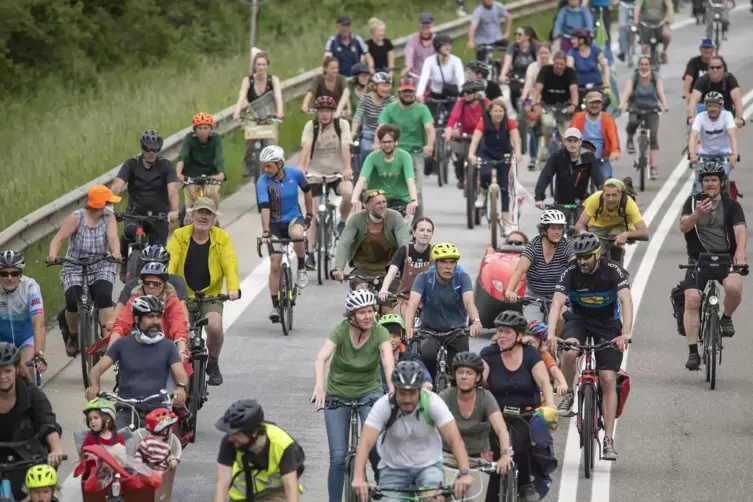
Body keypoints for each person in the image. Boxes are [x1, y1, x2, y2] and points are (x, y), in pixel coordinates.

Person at [547, 232, 632, 461]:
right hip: (579, 320)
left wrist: (625, 333)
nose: (583, 261)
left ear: (597, 254)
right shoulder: (570, 271)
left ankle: (608, 440)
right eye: (580, 257)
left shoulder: (612, 270)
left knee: (607, 378)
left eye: (587, 257)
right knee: (570, 351)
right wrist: (550, 333)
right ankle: (568, 395)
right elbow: (556, 303)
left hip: (607, 324)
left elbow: (626, 300)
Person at [312, 290, 394, 502]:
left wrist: (393, 390)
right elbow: (321, 359)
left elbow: (388, 363)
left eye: (370, 311)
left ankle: (383, 495)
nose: (368, 316)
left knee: (376, 449)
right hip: (338, 394)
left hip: (369, 393)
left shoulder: (380, 333)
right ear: (351, 316)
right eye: (361, 313)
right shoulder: (340, 331)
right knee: (338, 458)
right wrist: (320, 387)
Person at [351, 361, 473, 502]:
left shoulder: (433, 402)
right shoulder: (384, 406)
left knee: (434, 498)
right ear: (395, 390)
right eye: (402, 393)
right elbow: (366, 441)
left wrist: (464, 473)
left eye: (412, 393)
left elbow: (454, 439)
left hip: (428, 464)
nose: (407, 399)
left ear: (419, 390)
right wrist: (359, 477)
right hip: (393, 467)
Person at [480, 310, 556, 502]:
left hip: (525, 414)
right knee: (496, 460)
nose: (501, 335)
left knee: (521, 445)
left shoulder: (531, 354)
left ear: (519, 336)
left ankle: (524, 483)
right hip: (496, 413)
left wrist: (551, 407)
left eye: (507, 332)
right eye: (499, 331)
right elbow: (481, 377)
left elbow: (545, 383)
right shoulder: (489, 354)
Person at [679, 160, 746, 369]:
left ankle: (726, 318)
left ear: (721, 182)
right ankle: (692, 352)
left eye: (714, 180)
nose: (710, 184)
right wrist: (698, 213)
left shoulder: (732, 205)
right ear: (701, 183)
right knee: (691, 300)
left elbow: (740, 230)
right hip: (698, 259)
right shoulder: (691, 202)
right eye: (706, 180)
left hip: (725, 258)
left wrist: (740, 253)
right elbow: (683, 226)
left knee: (734, 288)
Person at [85, 295, 189, 429]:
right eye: (150, 317)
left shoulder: (168, 347)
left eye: (158, 317)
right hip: (125, 409)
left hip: (157, 411)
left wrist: (180, 388)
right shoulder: (122, 344)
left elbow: (181, 374)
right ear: (137, 319)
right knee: (110, 438)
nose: (156, 321)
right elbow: (96, 370)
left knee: (164, 444)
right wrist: (94, 386)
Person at [166, 198, 239, 383]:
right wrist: (166, 284)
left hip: (211, 296)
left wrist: (233, 288)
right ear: (192, 215)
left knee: (214, 326)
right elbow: (170, 261)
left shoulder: (222, 237)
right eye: (200, 212)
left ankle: (213, 362)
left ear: (214, 218)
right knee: (181, 333)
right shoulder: (179, 235)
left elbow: (230, 263)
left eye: (208, 214)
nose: (204, 217)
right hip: (183, 296)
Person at [47, 184, 122, 357]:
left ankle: (107, 338)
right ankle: (73, 334)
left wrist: (116, 252)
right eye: (108, 202)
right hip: (75, 265)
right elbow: (59, 239)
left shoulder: (109, 218)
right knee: (72, 300)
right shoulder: (76, 217)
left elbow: (112, 237)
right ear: (98, 205)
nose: (110, 206)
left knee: (104, 296)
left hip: (101, 263)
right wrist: (53, 255)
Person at [403, 243, 482, 381]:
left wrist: (475, 321)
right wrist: (408, 327)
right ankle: (429, 387)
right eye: (444, 262)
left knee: (461, 366)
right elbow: (412, 304)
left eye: (452, 262)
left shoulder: (462, 277)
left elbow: (469, 302)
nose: (448, 266)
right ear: (435, 263)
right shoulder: (424, 278)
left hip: (457, 332)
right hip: (429, 331)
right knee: (427, 357)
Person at [440, 352, 512, 502]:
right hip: (447, 457)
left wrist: (505, 454)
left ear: (478, 377)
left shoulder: (485, 397)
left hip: (477, 459)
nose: (464, 376)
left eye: (469, 373)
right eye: (460, 372)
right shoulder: (445, 396)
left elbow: (501, 429)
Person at [110, 130, 180, 278]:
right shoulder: (131, 164)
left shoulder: (166, 166)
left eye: (155, 149)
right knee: (129, 233)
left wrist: (174, 210)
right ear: (142, 147)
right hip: (135, 213)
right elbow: (117, 185)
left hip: (159, 215)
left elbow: (173, 189)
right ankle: (123, 265)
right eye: (148, 149)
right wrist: (109, 203)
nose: (151, 153)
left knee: (157, 253)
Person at [0, 343, 64, 501]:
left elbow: (47, 422)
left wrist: (56, 449)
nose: (2, 377)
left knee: (40, 493)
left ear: (16, 369)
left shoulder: (31, 393)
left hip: (28, 457)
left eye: (7, 370)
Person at [255, 146, 313, 320]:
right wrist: (266, 231)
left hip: (293, 218)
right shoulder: (262, 182)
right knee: (274, 263)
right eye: (263, 166)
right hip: (273, 224)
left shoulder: (295, 174)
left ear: (280, 164)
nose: (266, 170)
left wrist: (309, 213)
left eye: (269, 166)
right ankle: (275, 306)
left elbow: (308, 192)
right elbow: (264, 208)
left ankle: (302, 266)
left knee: (297, 235)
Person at [299, 95, 354, 269]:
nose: (324, 114)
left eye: (328, 111)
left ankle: (342, 222)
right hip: (315, 174)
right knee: (313, 214)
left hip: (337, 173)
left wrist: (347, 168)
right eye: (321, 111)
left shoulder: (341, 125)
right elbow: (306, 146)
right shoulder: (311, 126)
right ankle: (310, 254)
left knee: (349, 193)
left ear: (333, 112)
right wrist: (301, 167)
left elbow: (346, 146)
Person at [214, 399, 305, 502]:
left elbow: (290, 486)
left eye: (237, 434)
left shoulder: (281, 444)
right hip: (242, 496)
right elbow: (222, 484)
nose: (231, 438)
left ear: (254, 433)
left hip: (274, 493)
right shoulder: (230, 442)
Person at [376, 78, 435, 218]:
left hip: (415, 154)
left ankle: (418, 226)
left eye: (410, 91)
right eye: (405, 91)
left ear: (414, 92)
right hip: (394, 154)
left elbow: (429, 128)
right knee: (386, 190)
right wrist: (377, 144)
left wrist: (429, 146)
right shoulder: (390, 109)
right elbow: (381, 128)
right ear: (399, 92)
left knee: (417, 192)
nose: (408, 94)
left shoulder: (422, 109)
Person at [108, 263, 189, 365]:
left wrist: (181, 350)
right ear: (142, 283)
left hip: (165, 350)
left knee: (178, 377)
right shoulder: (134, 299)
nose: (151, 286)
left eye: (156, 284)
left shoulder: (172, 301)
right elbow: (121, 324)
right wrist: (111, 350)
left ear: (164, 285)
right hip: (138, 348)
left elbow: (179, 327)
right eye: (147, 282)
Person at [504, 210, 574, 322]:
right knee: (534, 327)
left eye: (560, 228)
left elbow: (575, 266)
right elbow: (519, 270)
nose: (557, 232)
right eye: (553, 228)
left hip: (559, 295)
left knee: (560, 320)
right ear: (544, 230)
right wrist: (510, 291)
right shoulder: (534, 246)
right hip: (534, 296)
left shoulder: (566, 246)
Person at [333, 190, 411, 288]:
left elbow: (404, 244)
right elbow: (344, 243)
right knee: (363, 294)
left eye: (384, 202)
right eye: (378, 203)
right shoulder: (356, 219)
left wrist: (408, 267)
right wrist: (339, 268)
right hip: (362, 270)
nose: (382, 206)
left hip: (389, 270)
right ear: (367, 206)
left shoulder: (395, 217)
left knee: (390, 301)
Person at [468, 98, 522, 232]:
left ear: (504, 112)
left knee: (505, 189)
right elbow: (475, 140)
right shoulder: (483, 122)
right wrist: (471, 154)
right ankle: (483, 192)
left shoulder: (509, 123)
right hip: (487, 153)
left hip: (504, 155)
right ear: (490, 112)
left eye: (501, 110)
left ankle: (506, 223)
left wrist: (518, 153)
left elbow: (515, 139)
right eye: (495, 110)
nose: (498, 113)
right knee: (485, 173)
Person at [109, 245, 189, 332]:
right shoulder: (133, 284)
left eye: (158, 265)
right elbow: (122, 304)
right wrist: (113, 320)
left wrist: (185, 321)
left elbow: (181, 305)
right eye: (147, 283)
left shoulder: (176, 281)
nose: (153, 269)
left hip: (168, 327)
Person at [232, 52, 285, 181]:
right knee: (250, 135)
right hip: (253, 113)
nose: (261, 67)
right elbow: (241, 97)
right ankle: (248, 164)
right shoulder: (248, 80)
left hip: (270, 113)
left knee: (270, 144)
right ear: (254, 66)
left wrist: (280, 111)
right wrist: (237, 112)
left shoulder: (273, 80)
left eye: (263, 64)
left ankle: (275, 170)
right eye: (258, 65)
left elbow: (278, 96)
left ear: (267, 66)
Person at [618, 57, 669, 180]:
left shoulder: (655, 78)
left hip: (652, 109)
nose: (644, 66)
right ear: (638, 65)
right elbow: (628, 91)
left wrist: (664, 105)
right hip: (636, 107)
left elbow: (660, 92)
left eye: (646, 64)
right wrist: (622, 104)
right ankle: (630, 139)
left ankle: (654, 167)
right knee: (633, 121)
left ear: (650, 66)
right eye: (641, 64)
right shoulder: (634, 77)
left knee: (653, 136)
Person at [575, 178, 649, 263]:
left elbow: (644, 231)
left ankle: (618, 268)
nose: (610, 199)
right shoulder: (595, 199)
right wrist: (583, 231)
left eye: (614, 195)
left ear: (620, 195)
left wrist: (626, 235)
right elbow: (580, 224)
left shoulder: (629, 203)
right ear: (603, 195)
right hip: (597, 226)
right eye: (607, 195)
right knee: (595, 252)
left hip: (619, 225)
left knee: (615, 245)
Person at [352, 125, 418, 217]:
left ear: (396, 142)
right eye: (384, 142)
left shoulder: (405, 156)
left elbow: (410, 180)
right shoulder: (372, 157)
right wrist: (355, 199)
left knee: (404, 224)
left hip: (399, 199)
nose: (386, 145)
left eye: (390, 142)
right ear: (380, 143)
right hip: (376, 199)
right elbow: (362, 179)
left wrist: (414, 200)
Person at [0, 251, 46, 383]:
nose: (9, 278)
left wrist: (38, 354)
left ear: (20, 274)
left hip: (27, 339)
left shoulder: (30, 287)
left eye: (14, 273)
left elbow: (39, 323)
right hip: (2, 340)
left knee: (26, 370)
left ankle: (31, 400)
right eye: (4, 273)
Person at [378, 217, 434, 320]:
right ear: (414, 232)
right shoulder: (404, 250)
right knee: (399, 319)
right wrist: (384, 289)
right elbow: (391, 273)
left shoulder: (434, 252)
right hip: (405, 298)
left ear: (432, 234)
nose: (425, 233)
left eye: (429, 231)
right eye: (421, 230)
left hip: (428, 300)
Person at [175, 112, 225, 224]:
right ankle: (188, 223)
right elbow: (182, 157)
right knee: (189, 205)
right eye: (200, 128)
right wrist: (179, 173)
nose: (203, 131)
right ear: (195, 129)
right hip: (192, 175)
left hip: (211, 175)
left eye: (206, 128)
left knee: (213, 194)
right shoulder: (189, 139)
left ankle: (213, 218)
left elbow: (219, 158)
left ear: (210, 128)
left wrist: (220, 173)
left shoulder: (216, 139)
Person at [534, 127, 602, 205]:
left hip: (582, 202)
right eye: (569, 141)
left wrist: (604, 196)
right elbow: (545, 176)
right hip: (561, 203)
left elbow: (598, 178)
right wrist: (539, 198)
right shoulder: (556, 157)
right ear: (564, 142)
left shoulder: (589, 157)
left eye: (575, 141)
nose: (572, 144)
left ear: (580, 142)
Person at [532, 51, 578, 165]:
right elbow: (538, 88)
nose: (558, 67)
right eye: (556, 64)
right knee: (547, 124)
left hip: (564, 107)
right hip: (547, 105)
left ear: (565, 64)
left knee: (567, 135)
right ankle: (545, 147)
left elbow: (574, 90)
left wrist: (573, 105)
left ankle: (571, 160)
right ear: (553, 63)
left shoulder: (570, 72)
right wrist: (535, 104)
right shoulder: (545, 70)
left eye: (561, 64)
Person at [689, 92, 738, 195]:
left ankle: (727, 206)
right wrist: (692, 153)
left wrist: (734, 155)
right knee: (699, 183)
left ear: (721, 106)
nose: (712, 109)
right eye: (710, 105)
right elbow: (693, 135)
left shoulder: (727, 116)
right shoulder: (701, 117)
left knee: (722, 182)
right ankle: (695, 207)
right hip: (704, 155)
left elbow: (731, 135)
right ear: (706, 107)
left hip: (724, 155)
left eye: (715, 106)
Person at [444, 79, 490, 188]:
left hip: (482, 136)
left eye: (469, 93)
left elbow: (494, 116)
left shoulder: (485, 102)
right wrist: (449, 129)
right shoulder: (461, 102)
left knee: (486, 159)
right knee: (461, 156)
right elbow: (454, 117)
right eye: (464, 92)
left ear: (476, 93)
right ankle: (461, 178)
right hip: (466, 135)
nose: (466, 95)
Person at [570, 91, 620, 179]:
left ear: (602, 104)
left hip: (602, 158)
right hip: (582, 157)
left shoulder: (608, 119)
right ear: (586, 104)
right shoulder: (578, 118)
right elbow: (572, 136)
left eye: (598, 102)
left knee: (607, 182)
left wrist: (615, 151)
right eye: (592, 103)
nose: (595, 105)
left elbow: (613, 137)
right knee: (575, 181)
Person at [352, 72, 396, 169]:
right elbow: (358, 116)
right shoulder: (365, 98)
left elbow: (398, 114)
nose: (386, 89)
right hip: (368, 132)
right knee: (365, 149)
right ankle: (363, 173)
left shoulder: (390, 99)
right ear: (375, 86)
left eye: (388, 86)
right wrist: (353, 132)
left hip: (386, 132)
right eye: (383, 86)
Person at [378, 314, 432, 393]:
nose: (391, 340)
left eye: (395, 336)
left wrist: (426, 381)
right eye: (386, 336)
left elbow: (419, 367)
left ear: (402, 336)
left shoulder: (409, 356)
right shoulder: (374, 358)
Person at [520, 44, 553, 170]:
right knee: (532, 126)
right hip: (534, 100)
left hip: (551, 101)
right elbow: (528, 82)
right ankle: (533, 157)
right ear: (537, 55)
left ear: (550, 54)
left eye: (546, 53)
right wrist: (524, 95)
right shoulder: (532, 67)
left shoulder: (555, 67)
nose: (543, 56)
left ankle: (551, 153)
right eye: (541, 53)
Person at [688, 56, 744, 130]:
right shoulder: (702, 80)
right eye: (712, 67)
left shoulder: (729, 79)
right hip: (707, 112)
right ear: (708, 69)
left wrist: (738, 118)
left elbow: (737, 101)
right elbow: (693, 100)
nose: (715, 70)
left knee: (730, 135)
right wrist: (691, 117)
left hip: (726, 112)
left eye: (718, 67)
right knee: (694, 129)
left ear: (723, 68)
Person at [416, 33, 465, 106]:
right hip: (435, 97)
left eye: (449, 45)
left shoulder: (456, 61)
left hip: (451, 97)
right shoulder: (429, 61)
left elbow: (460, 79)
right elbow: (423, 79)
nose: (448, 47)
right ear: (437, 47)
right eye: (445, 45)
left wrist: (461, 95)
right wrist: (419, 94)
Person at [500, 26, 540, 111]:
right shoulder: (512, 47)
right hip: (517, 74)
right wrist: (502, 75)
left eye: (520, 34)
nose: (517, 36)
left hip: (533, 73)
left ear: (527, 37)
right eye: (516, 34)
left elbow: (540, 62)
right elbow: (507, 63)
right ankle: (517, 110)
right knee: (513, 89)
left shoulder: (535, 46)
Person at [566, 29, 611, 102]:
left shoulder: (595, 50)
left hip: (597, 86)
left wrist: (607, 81)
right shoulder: (572, 52)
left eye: (574, 39)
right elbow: (569, 68)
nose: (572, 41)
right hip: (580, 88)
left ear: (582, 40)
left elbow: (605, 66)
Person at [135, 408, 181, 473]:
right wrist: (139, 465)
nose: (172, 431)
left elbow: (168, 456)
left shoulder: (166, 445)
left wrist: (173, 460)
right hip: (149, 475)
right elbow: (139, 454)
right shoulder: (148, 442)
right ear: (165, 430)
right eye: (170, 428)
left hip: (161, 476)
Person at [633, 0, 673, 64]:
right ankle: (643, 58)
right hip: (645, 23)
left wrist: (670, 19)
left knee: (667, 35)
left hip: (660, 23)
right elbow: (637, 6)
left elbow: (669, 6)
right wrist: (636, 20)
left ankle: (664, 52)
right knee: (644, 46)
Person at [402, 13, 436, 78]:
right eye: (423, 26)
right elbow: (409, 54)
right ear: (420, 25)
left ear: (432, 25)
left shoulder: (436, 40)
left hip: (433, 76)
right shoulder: (412, 40)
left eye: (428, 26)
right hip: (417, 76)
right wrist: (408, 66)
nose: (425, 29)